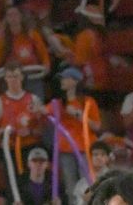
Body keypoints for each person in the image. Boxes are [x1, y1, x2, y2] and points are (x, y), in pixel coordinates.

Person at [51, 66, 102, 200]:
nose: (62, 81)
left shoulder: (88, 102)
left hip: (85, 148)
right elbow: (44, 111)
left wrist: (79, 115)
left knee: (88, 185)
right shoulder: (59, 103)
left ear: (74, 81)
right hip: (66, 149)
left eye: (65, 78)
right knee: (70, 187)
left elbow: (97, 126)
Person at [0, 62, 44, 159]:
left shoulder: (33, 99)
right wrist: (6, 130)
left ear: (22, 77)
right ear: (5, 78)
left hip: (31, 147)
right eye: (10, 77)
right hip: (10, 149)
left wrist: (30, 131)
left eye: (16, 76)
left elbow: (41, 129)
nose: (13, 80)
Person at [72, 140, 111, 205]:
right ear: (90, 158)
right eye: (95, 155)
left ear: (107, 158)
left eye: (102, 155)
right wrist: (85, 201)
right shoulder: (82, 184)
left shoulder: (113, 179)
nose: (99, 157)